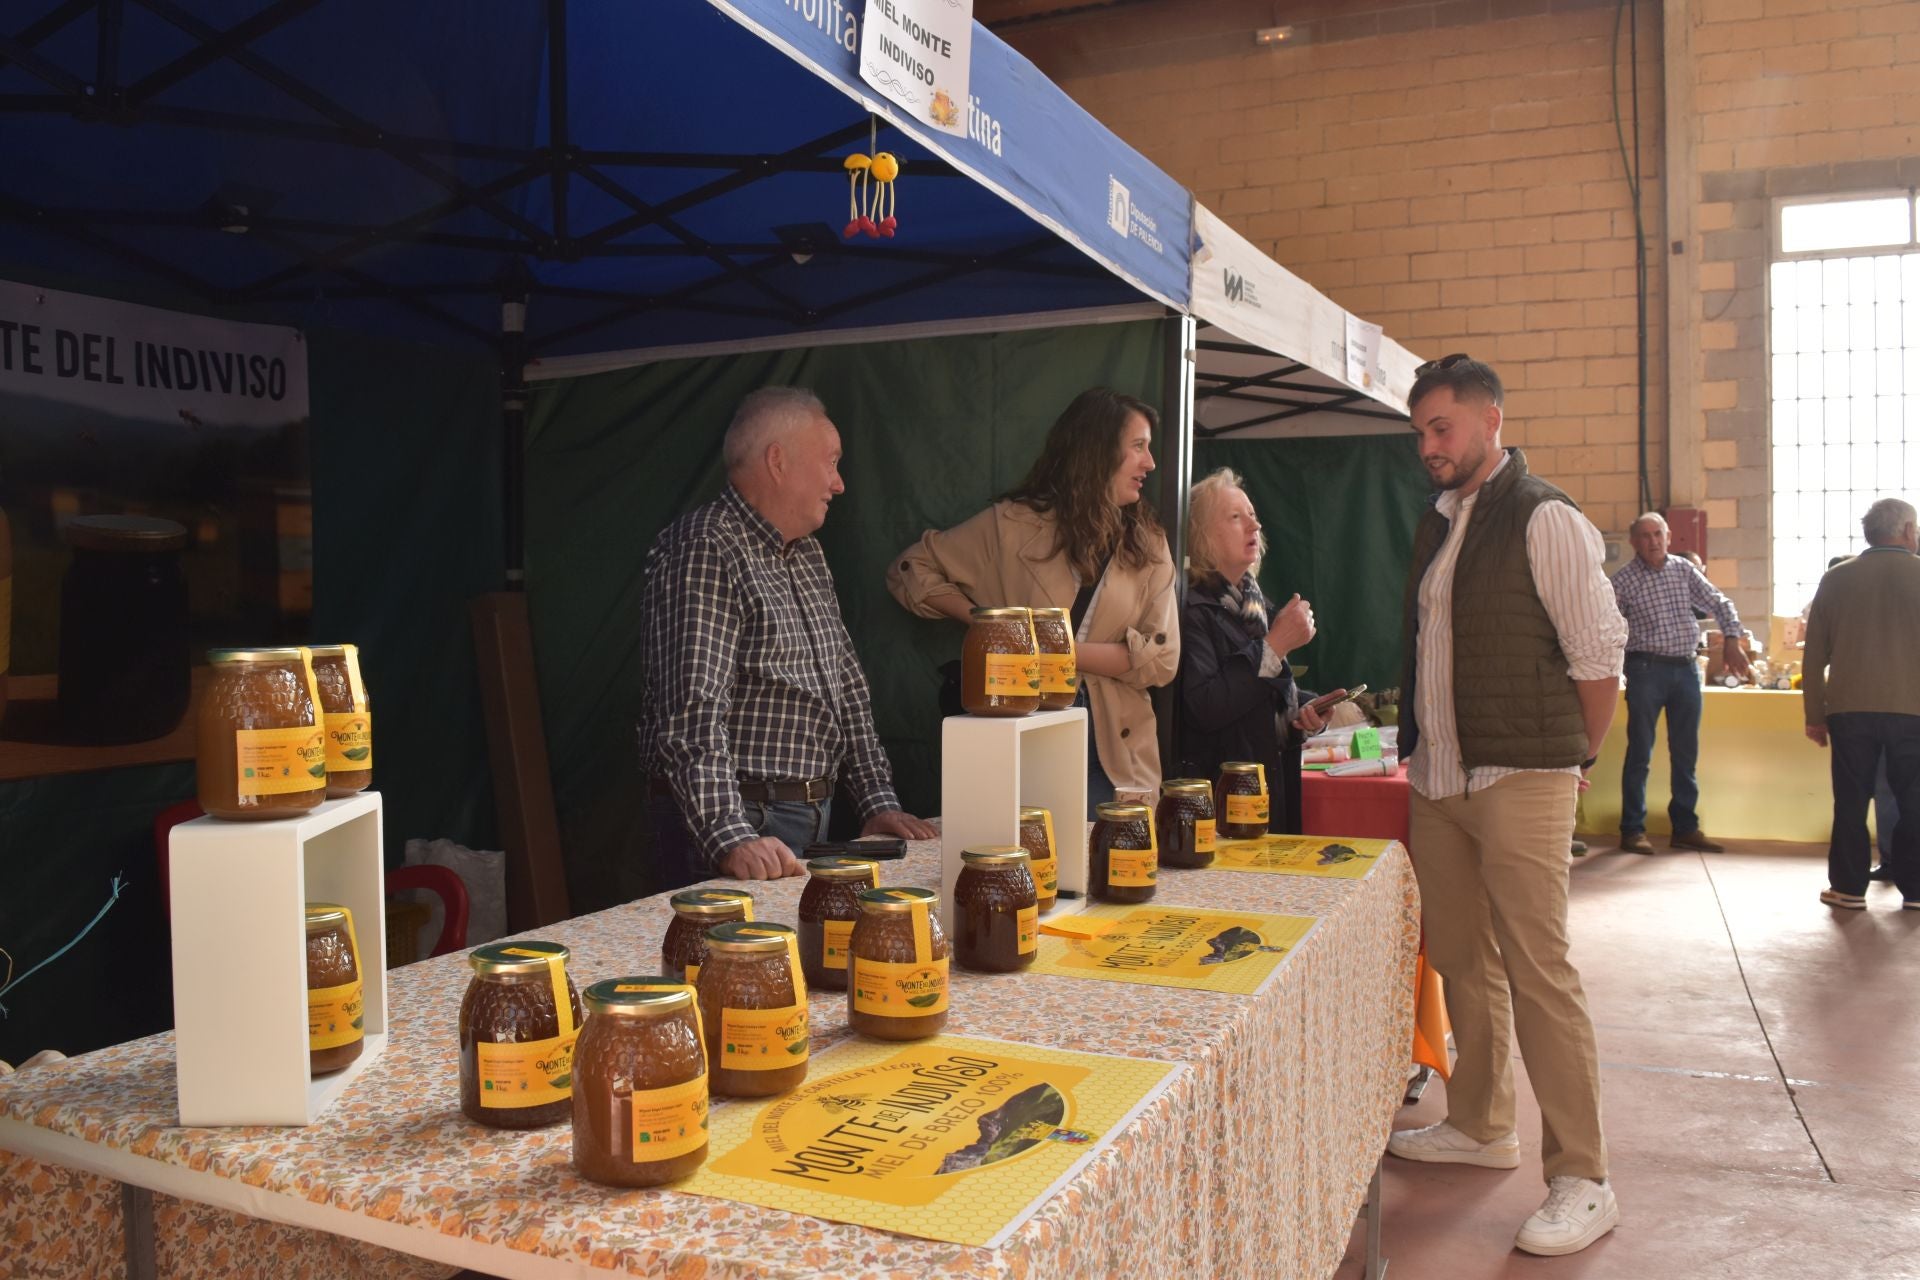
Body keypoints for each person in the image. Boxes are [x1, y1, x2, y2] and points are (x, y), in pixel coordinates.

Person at [1384, 355, 1628, 1258]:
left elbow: (1599, 658)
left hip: (1521, 774)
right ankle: (1482, 1124)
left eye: (1441, 428)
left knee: (1538, 966)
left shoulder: (1547, 515)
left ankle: (1583, 1175)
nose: (1429, 448)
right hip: (1439, 780)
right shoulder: (1438, 523)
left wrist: (1575, 758)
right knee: (1459, 957)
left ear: (1492, 419)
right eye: (1420, 434)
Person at [639, 387, 936, 888]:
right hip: (740, 820)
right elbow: (692, 711)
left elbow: (848, 690)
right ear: (778, 461)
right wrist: (729, 836)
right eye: (832, 462)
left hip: (800, 820)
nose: (839, 484)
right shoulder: (707, 546)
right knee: (736, 966)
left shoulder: (808, 555)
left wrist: (876, 803)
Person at [887, 387, 1179, 809]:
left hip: (1114, 755)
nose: (1150, 463)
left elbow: (1163, 660)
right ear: (1096, 450)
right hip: (1020, 741)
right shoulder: (1012, 525)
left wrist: (1052, 647)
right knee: (1022, 865)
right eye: (1138, 447)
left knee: (1105, 868)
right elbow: (910, 570)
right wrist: (992, 625)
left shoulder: (1149, 543)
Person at [1175, 467, 1327, 833]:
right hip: (1222, 809)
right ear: (1201, 536)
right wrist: (1274, 646)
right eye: (1235, 517)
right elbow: (1205, 707)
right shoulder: (1189, 611)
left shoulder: (1254, 608)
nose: (1254, 526)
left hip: (1265, 798)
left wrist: (1301, 714)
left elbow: (1253, 702)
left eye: (1254, 516)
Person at [1799, 497, 1920, 911]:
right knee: (1914, 800)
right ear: (1907, 531)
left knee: (1851, 800)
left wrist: (1815, 715)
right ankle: (1917, 890)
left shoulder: (1836, 579)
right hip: (1913, 710)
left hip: (1849, 710)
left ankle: (1849, 888)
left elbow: (1813, 654)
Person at [1609, 512, 1749, 855]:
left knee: (1686, 753)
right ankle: (1632, 829)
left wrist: (1732, 637)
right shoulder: (1622, 582)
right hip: (1646, 670)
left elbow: (1720, 602)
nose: (1653, 541)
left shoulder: (1684, 571)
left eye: (1658, 534)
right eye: (1644, 535)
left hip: (1686, 670)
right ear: (1633, 542)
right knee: (1640, 751)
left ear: (1669, 537)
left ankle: (1685, 827)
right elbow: (1608, 629)